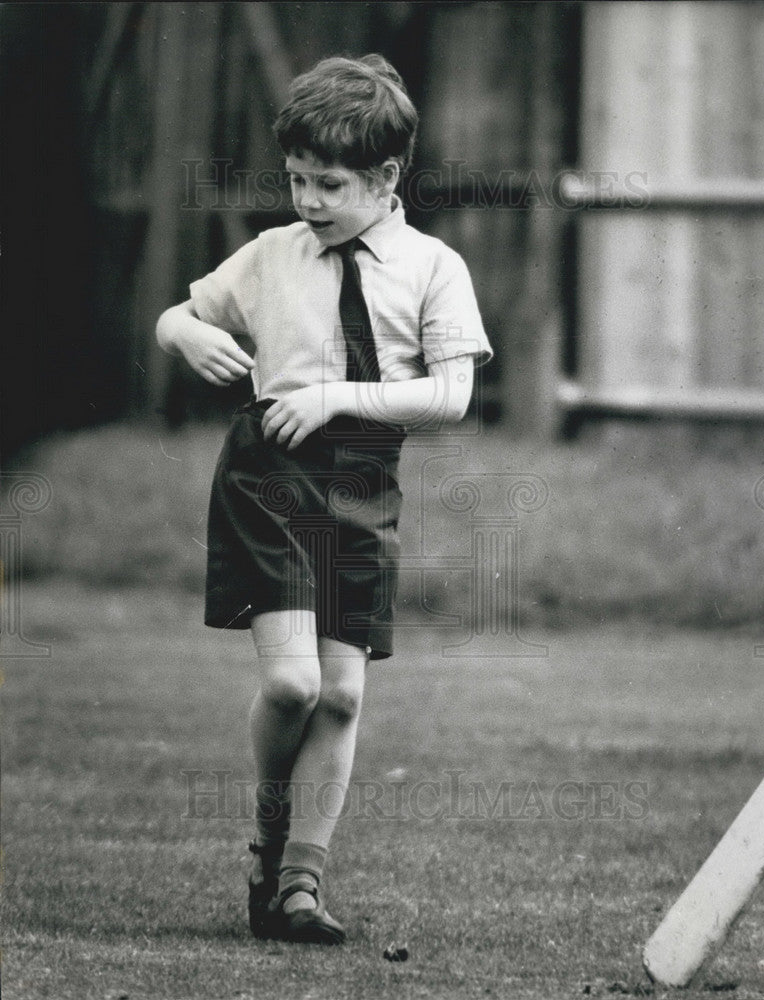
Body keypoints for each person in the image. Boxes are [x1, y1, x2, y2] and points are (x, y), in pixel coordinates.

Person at [156, 54, 492, 945]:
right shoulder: (273, 255)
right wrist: (185, 335)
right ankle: (269, 847)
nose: (306, 199)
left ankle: (299, 888)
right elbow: (179, 314)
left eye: (328, 184)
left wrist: (333, 398)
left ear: (387, 177)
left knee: (341, 696)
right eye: (296, 178)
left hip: (362, 483)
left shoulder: (434, 267)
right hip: (269, 475)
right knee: (292, 682)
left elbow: (451, 396)